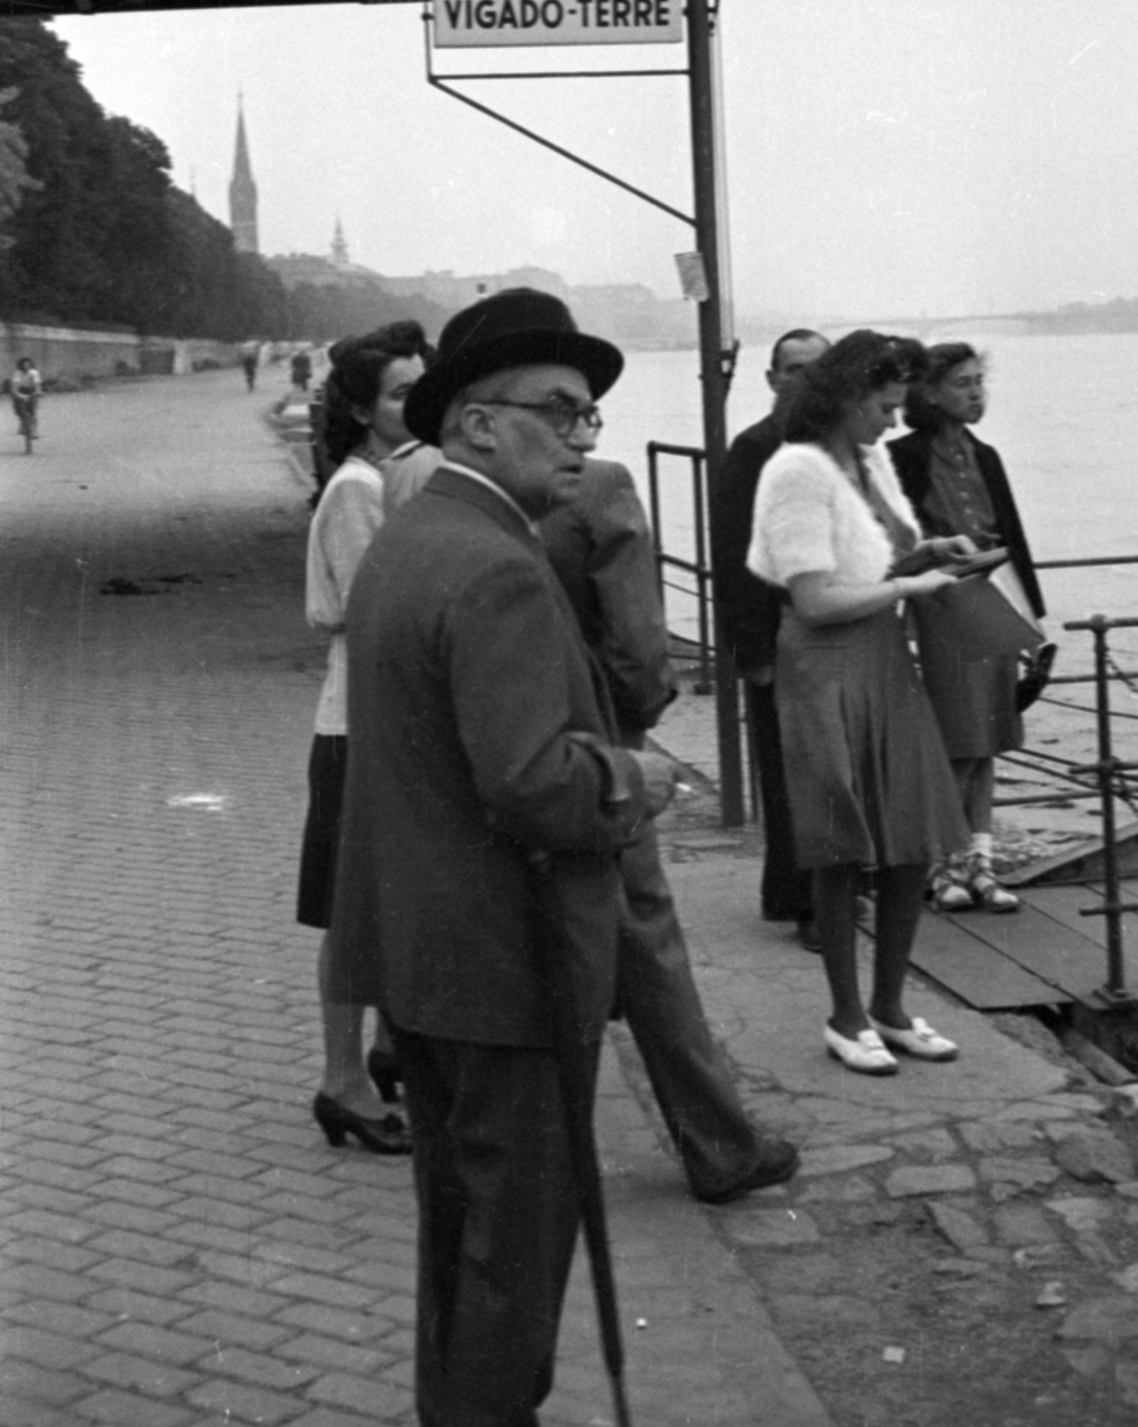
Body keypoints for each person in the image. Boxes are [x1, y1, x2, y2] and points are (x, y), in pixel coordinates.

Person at [328, 288, 679, 1427]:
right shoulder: (499, 566)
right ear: (479, 423)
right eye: (565, 413)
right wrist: (642, 780)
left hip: (424, 961)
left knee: (459, 1234)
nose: (586, 439)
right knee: (514, 1262)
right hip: (508, 968)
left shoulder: (411, 539)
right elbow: (533, 784)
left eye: (591, 420)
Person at [539, 456, 800, 1204]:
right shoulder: (597, 486)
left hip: (505, 740)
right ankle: (719, 1143)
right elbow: (638, 640)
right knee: (644, 931)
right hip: (597, 738)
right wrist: (638, 712)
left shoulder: (433, 487)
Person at [747, 331, 971, 1075]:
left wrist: (927, 557)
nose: (893, 420)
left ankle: (890, 1004)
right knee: (841, 841)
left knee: (905, 834)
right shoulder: (794, 471)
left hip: (879, 654)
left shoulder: (869, 459)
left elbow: (872, 563)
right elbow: (812, 598)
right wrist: (909, 588)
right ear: (844, 397)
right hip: (823, 663)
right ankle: (844, 1014)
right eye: (883, 405)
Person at [298, 333, 425, 1155]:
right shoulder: (356, 489)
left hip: (390, 720)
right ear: (359, 409)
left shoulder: (392, 477)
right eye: (396, 395)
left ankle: (387, 1048)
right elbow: (373, 608)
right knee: (351, 915)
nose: (413, 406)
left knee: (390, 901)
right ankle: (341, 1082)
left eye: (422, 388)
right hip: (357, 725)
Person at [889, 341, 1046, 913]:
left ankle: (980, 862)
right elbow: (893, 542)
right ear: (928, 392)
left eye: (980, 381)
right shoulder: (902, 456)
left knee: (987, 744)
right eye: (962, 383)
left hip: (993, 604)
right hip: (938, 609)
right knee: (954, 743)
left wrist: (1033, 621)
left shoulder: (988, 456)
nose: (977, 392)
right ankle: (942, 863)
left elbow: (1013, 539)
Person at [711, 329, 829, 949]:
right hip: (781, 635)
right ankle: (802, 901)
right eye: (793, 369)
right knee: (789, 778)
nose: (805, 380)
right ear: (772, 377)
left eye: (817, 368)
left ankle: (838, 890)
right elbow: (733, 556)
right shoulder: (754, 449)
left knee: (838, 771)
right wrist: (751, 650)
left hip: (836, 631)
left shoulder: (838, 446)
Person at [11, 356, 40, 437]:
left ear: (30, 365)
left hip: (31, 391)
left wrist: (37, 392)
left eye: (27, 364)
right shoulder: (17, 373)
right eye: (23, 364)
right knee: (20, 411)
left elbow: (37, 385)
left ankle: (34, 432)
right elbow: (14, 389)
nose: (26, 366)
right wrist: (21, 396)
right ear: (20, 365)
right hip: (20, 391)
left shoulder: (34, 373)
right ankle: (23, 423)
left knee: (32, 412)